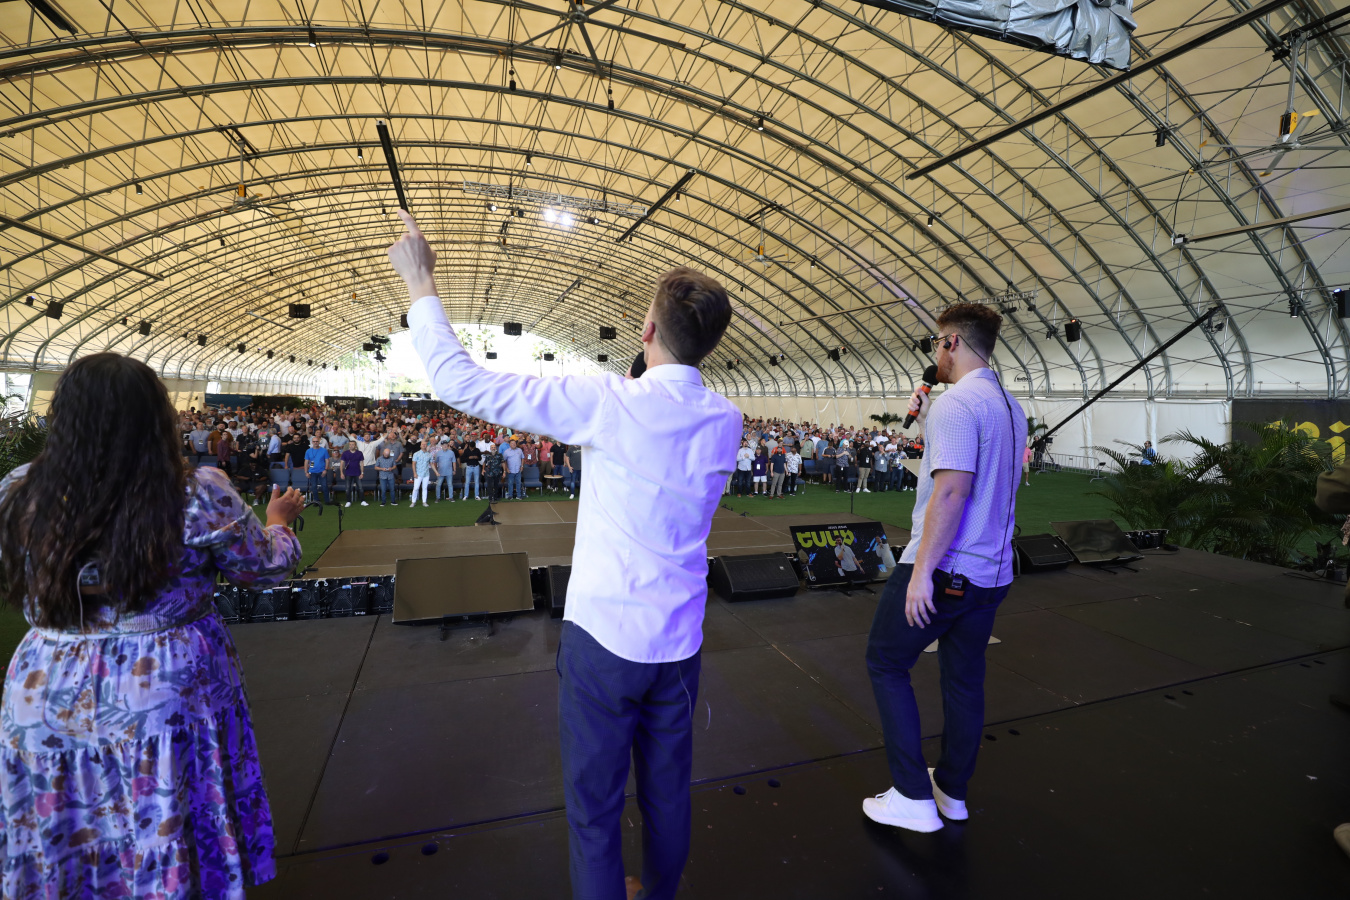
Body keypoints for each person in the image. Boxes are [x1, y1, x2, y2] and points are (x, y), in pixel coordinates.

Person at [389, 211, 739, 900]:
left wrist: (421, 283)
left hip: (605, 640)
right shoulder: (726, 420)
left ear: (647, 331)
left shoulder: (609, 402)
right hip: (680, 641)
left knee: (594, 808)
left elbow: (464, 385)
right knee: (669, 794)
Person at [0, 353, 306, 897]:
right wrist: (279, 523)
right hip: (159, 687)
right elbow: (262, 569)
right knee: (162, 811)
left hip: (44, 687)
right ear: (156, 416)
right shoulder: (196, 492)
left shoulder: (18, 490)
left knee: (67, 823)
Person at [863, 303, 1026, 833]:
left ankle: (912, 795)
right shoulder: (1010, 406)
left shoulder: (956, 404)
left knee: (886, 662)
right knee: (964, 681)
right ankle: (951, 791)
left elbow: (952, 492)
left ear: (952, 342)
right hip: (993, 575)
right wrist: (928, 414)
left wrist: (919, 574)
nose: (935, 351)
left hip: (946, 570)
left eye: (937, 342)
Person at [304, 435, 331, 505]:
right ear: (312, 442)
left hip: (322, 471)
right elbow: (306, 462)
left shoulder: (324, 450)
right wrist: (306, 472)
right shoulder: (308, 451)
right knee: (314, 487)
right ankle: (316, 501)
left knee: (324, 486)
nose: (315, 443)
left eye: (317, 441)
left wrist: (326, 469)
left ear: (319, 442)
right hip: (312, 472)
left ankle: (327, 500)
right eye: (314, 441)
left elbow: (327, 460)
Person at [342, 441, 367, 506]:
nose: (351, 446)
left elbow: (361, 463)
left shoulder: (359, 453)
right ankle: (348, 501)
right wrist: (341, 473)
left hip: (357, 473)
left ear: (355, 446)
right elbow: (342, 463)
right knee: (348, 488)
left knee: (360, 488)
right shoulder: (345, 453)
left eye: (353, 444)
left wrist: (362, 473)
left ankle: (363, 501)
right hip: (348, 473)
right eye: (350, 444)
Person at [411, 439, 433, 507]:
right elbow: (413, 464)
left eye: (425, 444)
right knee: (416, 488)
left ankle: (424, 502)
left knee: (425, 488)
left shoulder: (429, 454)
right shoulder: (416, 454)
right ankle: (413, 502)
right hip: (418, 474)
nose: (424, 445)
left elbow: (431, 464)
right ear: (420, 446)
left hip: (426, 474)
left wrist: (436, 472)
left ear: (426, 446)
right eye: (423, 444)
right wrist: (414, 473)